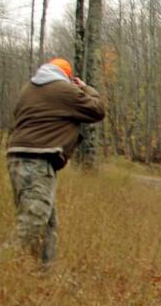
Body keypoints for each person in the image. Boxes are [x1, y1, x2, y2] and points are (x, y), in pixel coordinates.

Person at [6, 58, 105, 265]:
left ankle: (43, 275)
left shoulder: (29, 89)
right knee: (34, 221)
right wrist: (87, 89)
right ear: (67, 76)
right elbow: (97, 110)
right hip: (38, 161)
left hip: (16, 157)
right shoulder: (63, 90)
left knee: (47, 223)